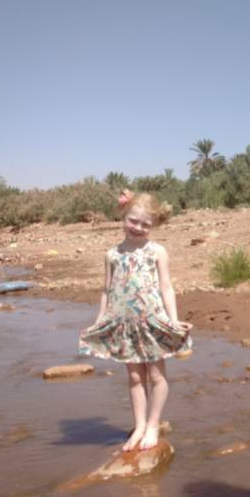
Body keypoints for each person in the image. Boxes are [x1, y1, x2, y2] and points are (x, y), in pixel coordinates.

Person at [79, 189, 192, 452]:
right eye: (133, 221)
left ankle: (153, 424)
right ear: (123, 216)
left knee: (156, 375)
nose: (138, 228)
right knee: (134, 377)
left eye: (145, 224)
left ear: (153, 226)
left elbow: (166, 288)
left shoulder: (157, 251)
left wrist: (173, 321)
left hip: (151, 322)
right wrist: (99, 321)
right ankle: (139, 425)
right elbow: (107, 290)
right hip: (124, 324)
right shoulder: (112, 255)